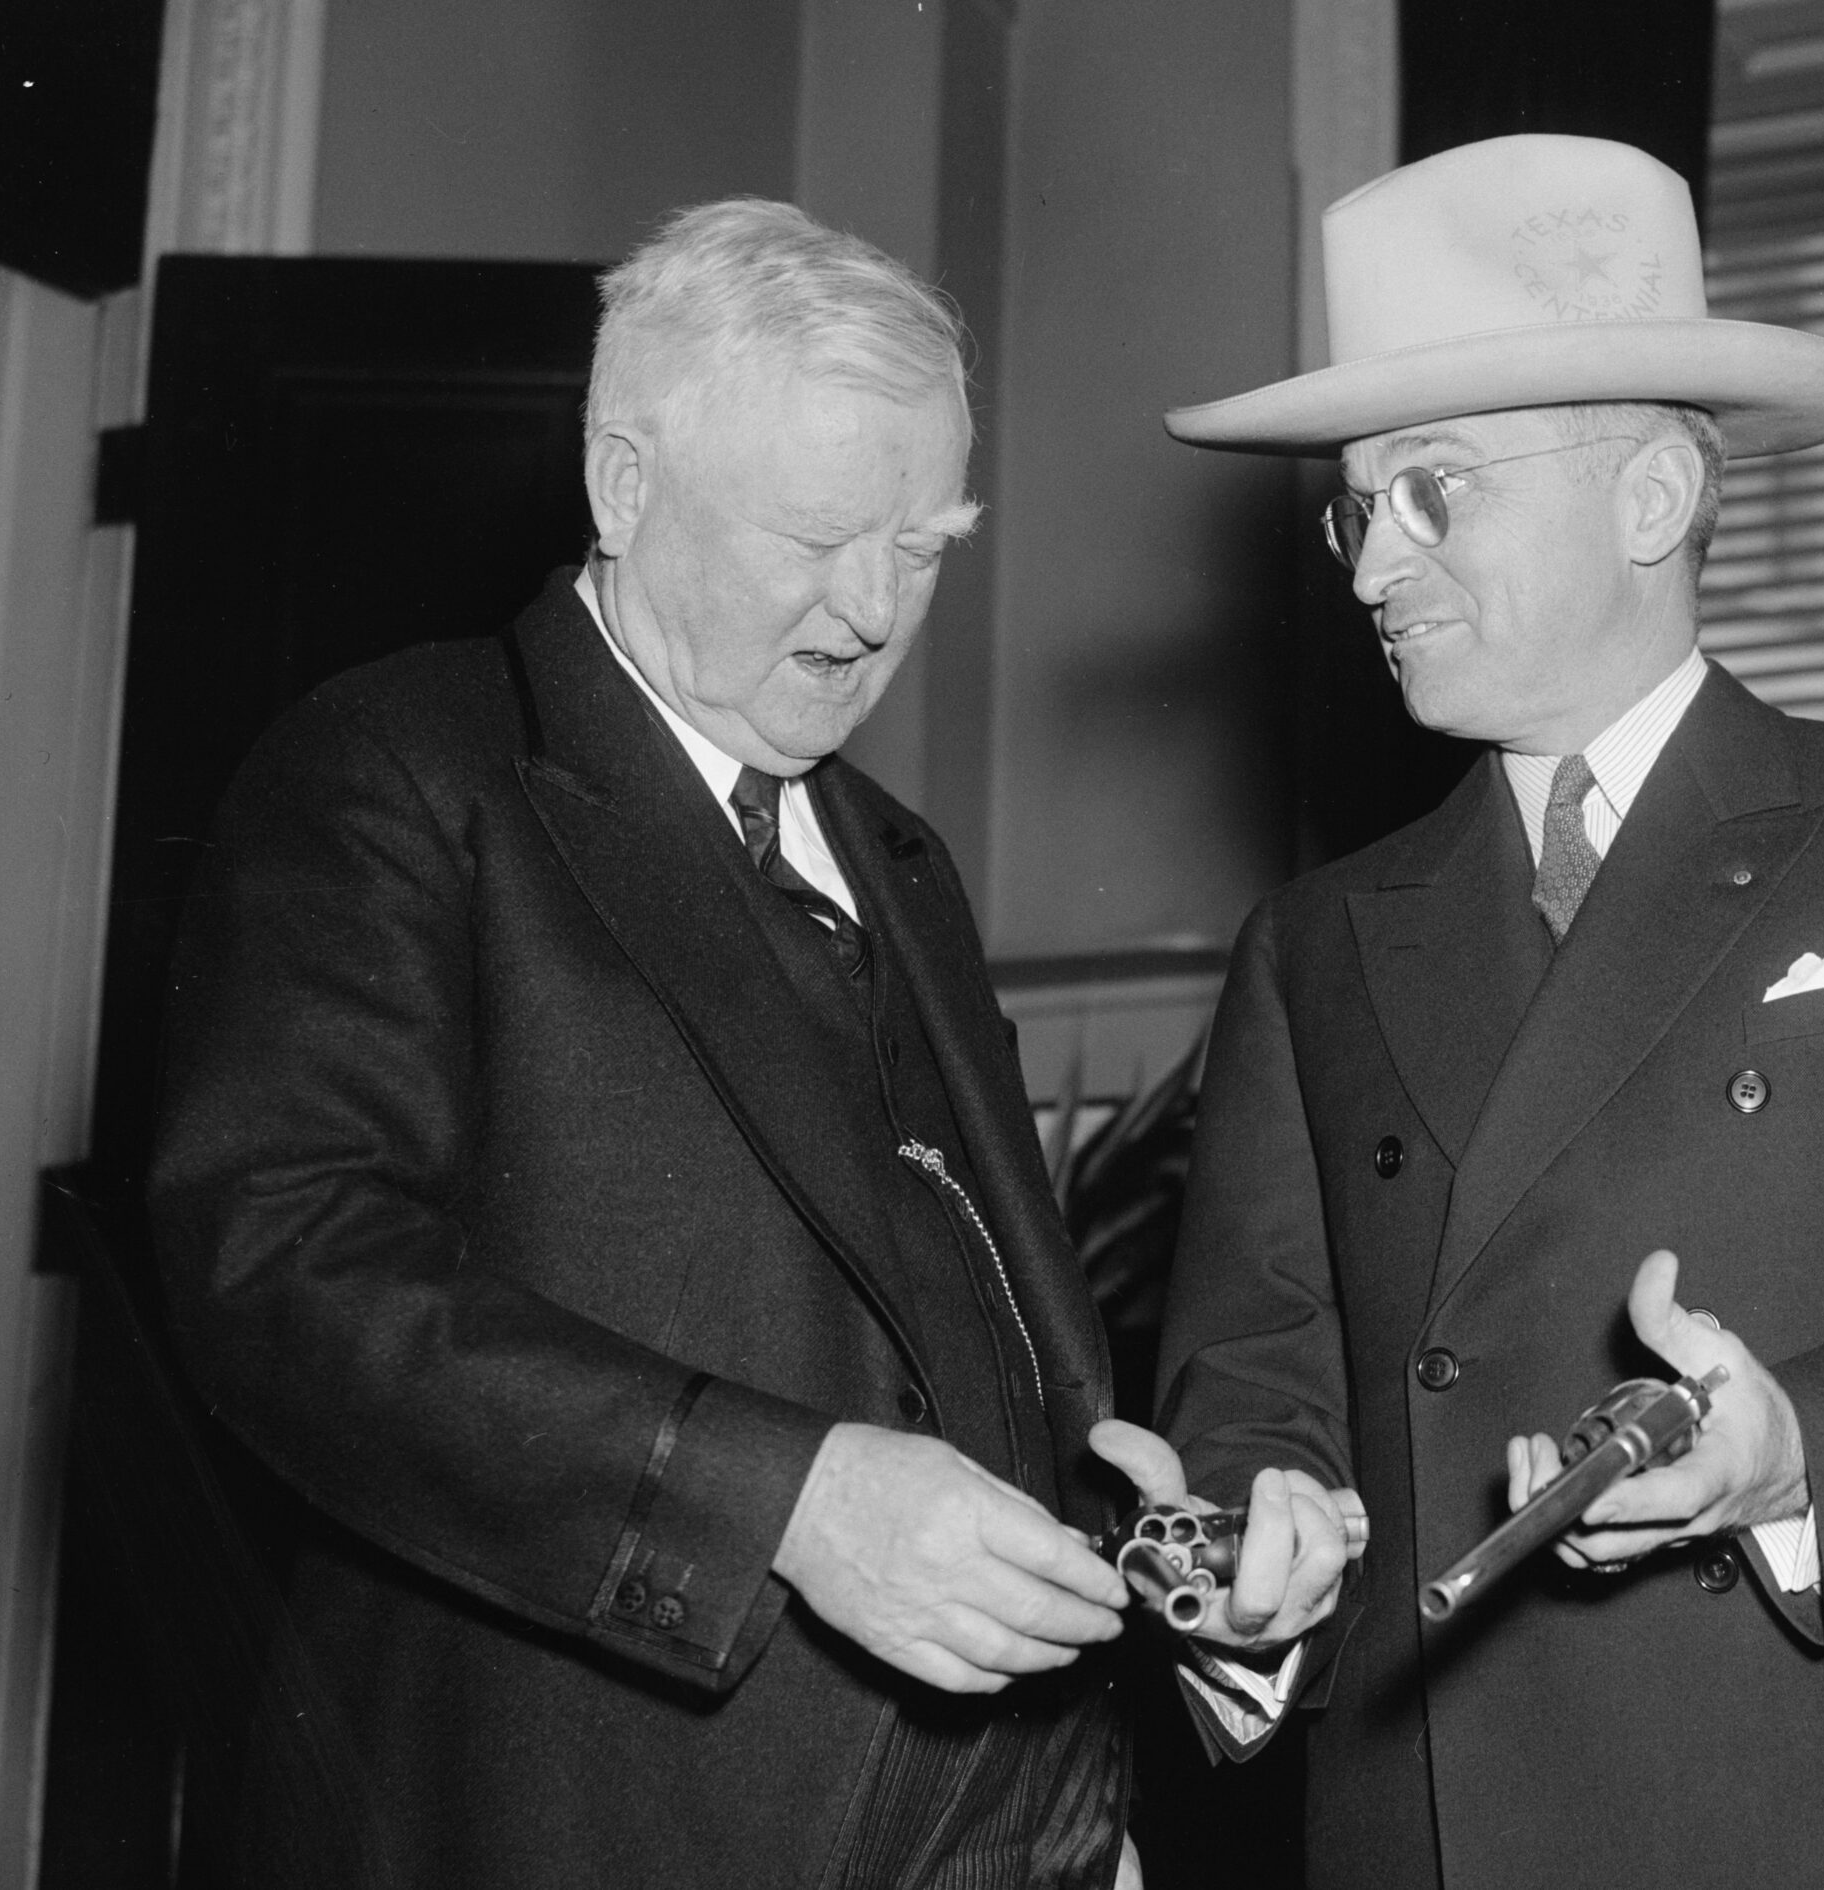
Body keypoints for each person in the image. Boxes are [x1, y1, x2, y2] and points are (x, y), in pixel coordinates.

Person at [1136, 134, 1824, 1887]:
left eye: (1432, 492)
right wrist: (1249, 1566)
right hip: (1454, 1816)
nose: (1364, 571)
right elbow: (1264, 1374)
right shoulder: (1314, 942)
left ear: (1649, 498)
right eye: (1354, 506)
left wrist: (1808, 1450)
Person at [151, 200, 1146, 1890]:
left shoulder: (899, 857)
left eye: (925, 546)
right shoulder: (399, 767)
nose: (875, 609)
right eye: (822, 534)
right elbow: (281, 1268)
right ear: (624, 483)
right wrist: (786, 1504)